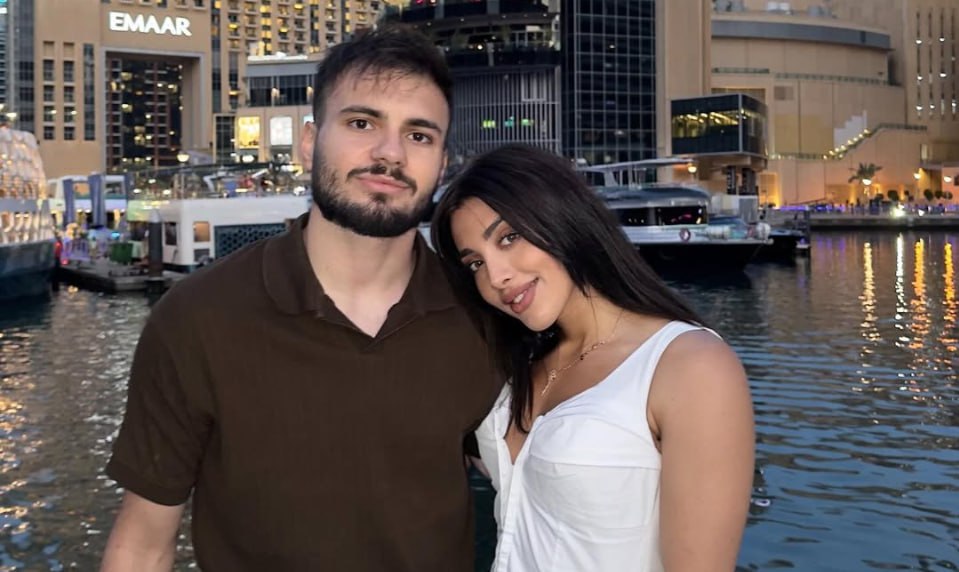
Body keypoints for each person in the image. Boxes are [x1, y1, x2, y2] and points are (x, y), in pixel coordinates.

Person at [100, 24, 501, 571]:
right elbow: (143, 546)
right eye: (361, 123)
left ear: (443, 161)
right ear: (309, 142)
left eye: (419, 135)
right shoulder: (197, 319)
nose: (390, 153)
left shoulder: (483, 316)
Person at [431, 144, 755, 571]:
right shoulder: (515, 364)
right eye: (475, 264)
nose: (496, 277)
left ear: (561, 218)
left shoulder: (688, 366)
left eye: (509, 238)